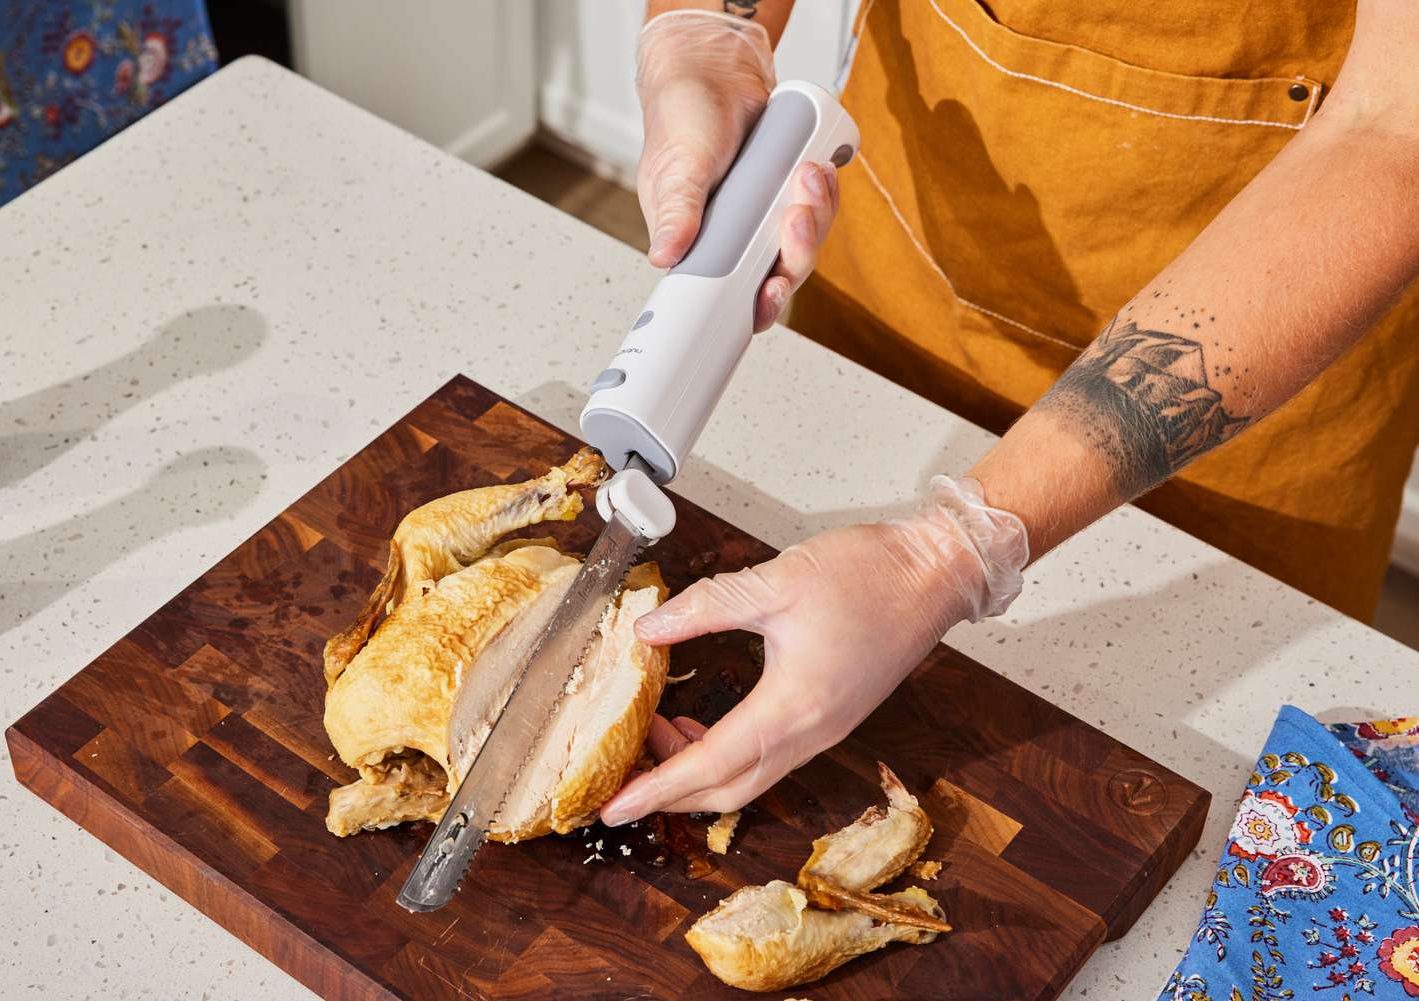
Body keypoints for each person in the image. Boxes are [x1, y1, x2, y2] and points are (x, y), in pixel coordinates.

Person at [599, 0, 1419, 827]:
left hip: (1255, 367)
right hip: (909, 253)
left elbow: (1394, 130)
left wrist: (941, 556)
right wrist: (706, 35)